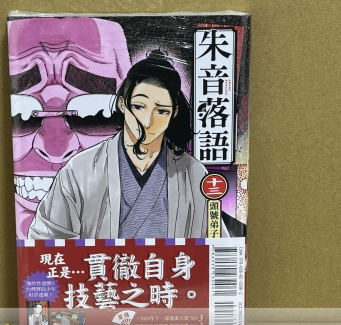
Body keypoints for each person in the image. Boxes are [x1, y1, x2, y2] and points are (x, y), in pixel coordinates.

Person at [28, 50, 213, 239]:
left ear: (174, 112)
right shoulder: (81, 170)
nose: (147, 121)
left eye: (162, 111)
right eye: (139, 107)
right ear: (122, 104)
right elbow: (45, 238)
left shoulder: (193, 173)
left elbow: (215, 240)